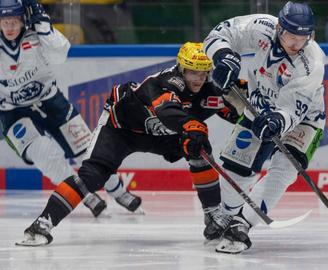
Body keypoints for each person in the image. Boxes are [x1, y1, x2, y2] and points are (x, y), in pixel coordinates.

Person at [16, 42, 242, 246]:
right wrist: (192, 127)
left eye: (203, 73)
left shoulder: (212, 88)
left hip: (162, 135)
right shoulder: (163, 83)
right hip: (120, 129)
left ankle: (213, 215)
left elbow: (238, 109)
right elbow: (167, 111)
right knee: (92, 175)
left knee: (200, 150)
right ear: (181, 69)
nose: (198, 79)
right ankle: (43, 223)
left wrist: (249, 105)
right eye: (193, 72)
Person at [203, 1, 326, 254]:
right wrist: (222, 56)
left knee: (286, 168)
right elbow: (219, 34)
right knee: (236, 165)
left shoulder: (312, 62)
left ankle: (242, 224)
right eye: (291, 36)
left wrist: (278, 120)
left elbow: (294, 107)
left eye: (303, 38)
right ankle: (227, 215)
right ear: (279, 28)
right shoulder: (262, 26)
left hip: (304, 118)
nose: (296, 44)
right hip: (258, 106)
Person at [0, 0, 141, 218]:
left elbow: (60, 54)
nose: (9, 27)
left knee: (88, 148)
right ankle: (84, 195)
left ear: (23, 20)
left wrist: (44, 25)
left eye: (14, 21)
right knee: (44, 153)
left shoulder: (37, 33)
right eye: (4, 21)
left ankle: (118, 191)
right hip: (11, 112)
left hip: (50, 100)